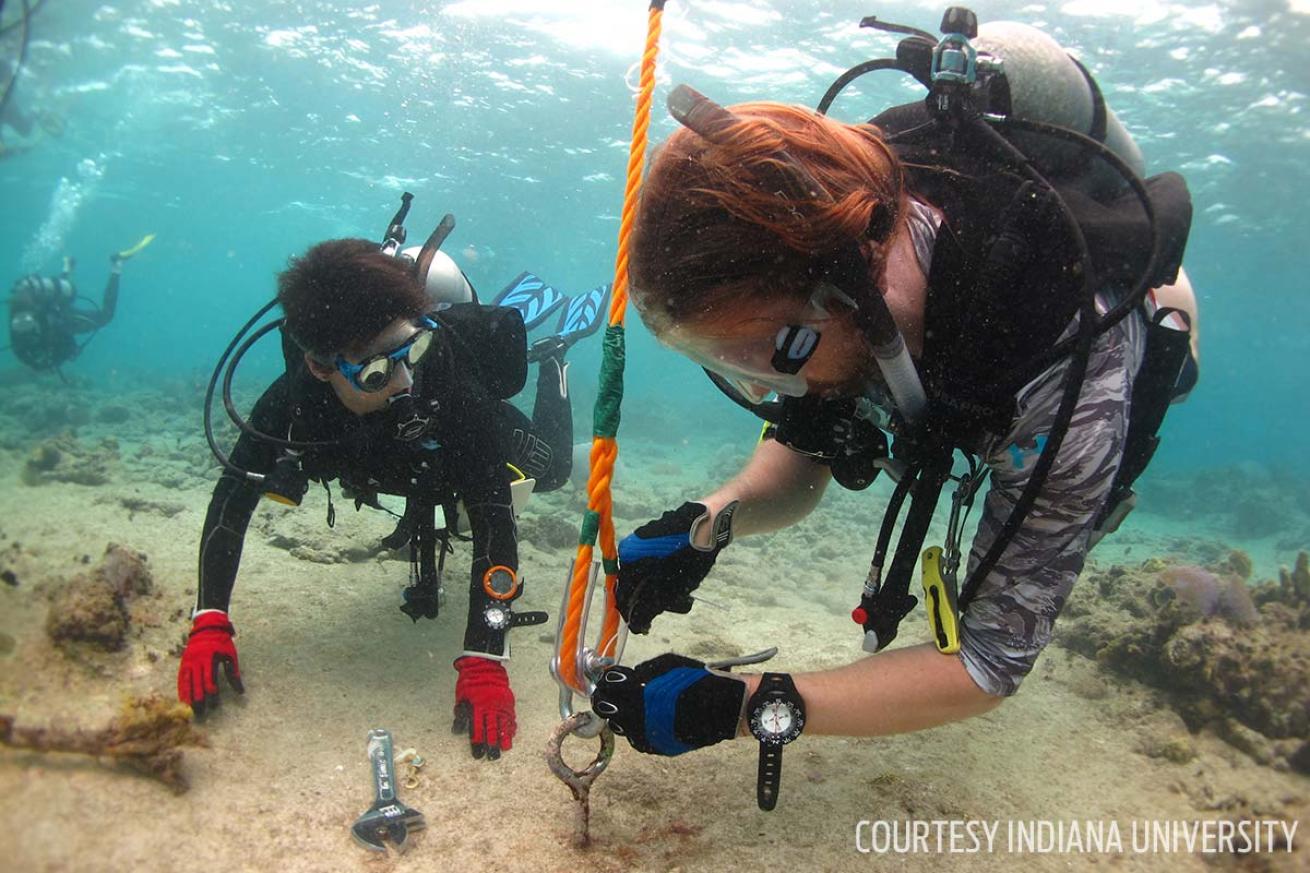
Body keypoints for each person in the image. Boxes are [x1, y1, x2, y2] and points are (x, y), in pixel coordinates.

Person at [589, 14, 1200, 809]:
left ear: (848, 296)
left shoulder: (1066, 353)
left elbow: (984, 663)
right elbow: (798, 466)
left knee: (1137, 417)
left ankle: (1171, 312)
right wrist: (706, 522)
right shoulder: (825, 301)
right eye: (720, 361)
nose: (761, 387)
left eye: (760, 355)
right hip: (914, 337)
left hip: (1100, 347)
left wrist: (746, 705)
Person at [179, 222, 608, 762]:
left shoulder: (447, 384)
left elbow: (495, 515)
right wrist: (210, 617)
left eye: (412, 348)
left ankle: (554, 354)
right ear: (319, 366)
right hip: (396, 457)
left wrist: (485, 655)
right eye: (379, 371)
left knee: (549, 473)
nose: (405, 381)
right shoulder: (292, 402)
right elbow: (232, 497)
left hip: (457, 425)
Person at [6, 235, 152, 372]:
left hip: (63, 318)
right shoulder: (26, 338)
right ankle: (67, 269)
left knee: (106, 316)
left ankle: (116, 265)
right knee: (61, 302)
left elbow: (59, 348)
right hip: (53, 310)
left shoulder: (27, 343)